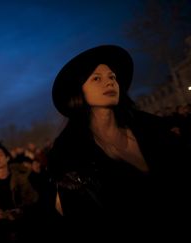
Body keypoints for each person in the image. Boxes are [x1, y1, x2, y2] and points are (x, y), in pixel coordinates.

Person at [49, 45, 188, 233]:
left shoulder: (153, 127)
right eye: (96, 78)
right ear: (79, 91)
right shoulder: (69, 154)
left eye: (112, 77)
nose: (109, 83)